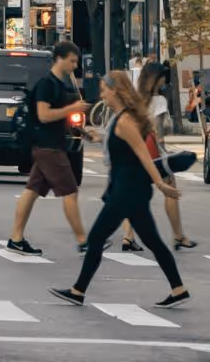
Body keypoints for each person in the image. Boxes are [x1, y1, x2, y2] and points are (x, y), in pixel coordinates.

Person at [51, 70, 190, 310]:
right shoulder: (120, 117)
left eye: (104, 89)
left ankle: (78, 290)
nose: (102, 94)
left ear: (115, 90)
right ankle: (178, 289)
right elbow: (119, 143)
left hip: (128, 189)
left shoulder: (126, 120)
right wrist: (97, 138)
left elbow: (143, 154)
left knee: (95, 238)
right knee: (153, 241)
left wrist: (160, 183)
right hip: (129, 187)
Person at [7, 40, 89, 256]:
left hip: (49, 145)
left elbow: (56, 118)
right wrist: (72, 108)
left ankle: (16, 238)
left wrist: (81, 131)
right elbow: (44, 116)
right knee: (70, 192)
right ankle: (83, 241)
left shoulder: (58, 84)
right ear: (59, 58)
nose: (75, 65)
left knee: (31, 191)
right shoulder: (47, 83)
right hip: (48, 147)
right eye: (72, 61)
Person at [122, 61, 194, 252]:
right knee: (170, 188)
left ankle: (128, 237)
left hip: (132, 151)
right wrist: (165, 156)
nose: (164, 81)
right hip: (152, 152)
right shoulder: (159, 101)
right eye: (162, 78)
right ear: (155, 79)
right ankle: (179, 235)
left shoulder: (132, 99)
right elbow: (158, 134)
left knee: (133, 194)